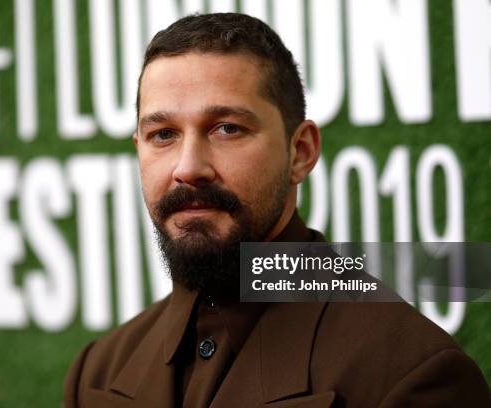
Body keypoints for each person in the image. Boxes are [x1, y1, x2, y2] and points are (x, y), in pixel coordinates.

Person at [63, 13, 489, 408]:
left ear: (300, 152)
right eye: (163, 134)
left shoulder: (410, 373)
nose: (188, 167)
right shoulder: (96, 372)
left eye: (227, 128)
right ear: (139, 149)